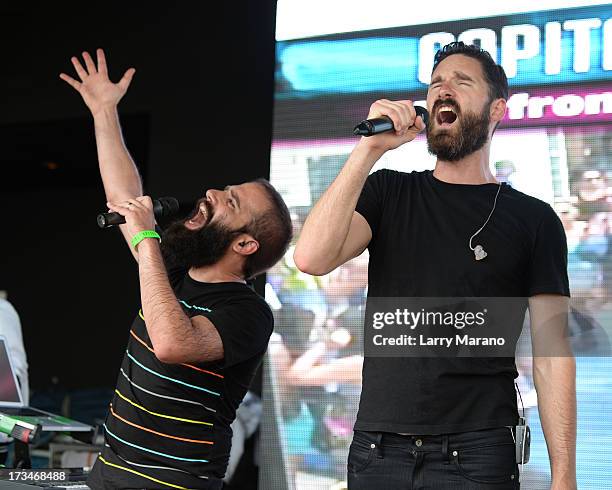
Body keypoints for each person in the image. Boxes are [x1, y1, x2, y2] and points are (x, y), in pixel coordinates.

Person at [294, 41, 576, 489]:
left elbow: (552, 352)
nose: (443, 90)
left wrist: (564, 476)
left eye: (461, 82)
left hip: (479, 450)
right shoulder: (388, 192)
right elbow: (312, 257)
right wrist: (369, 150)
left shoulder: (534, 219)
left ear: (497, 108)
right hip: (378, 450)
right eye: (436, 84)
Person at [60, 49, 292, 489]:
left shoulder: (248, 313)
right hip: (110, 469)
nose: (212, 193)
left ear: (244, 243)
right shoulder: (173, 269)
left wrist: (147, 239)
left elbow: (172, 342)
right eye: (224, 189)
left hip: (173, 482)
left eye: (231, 201)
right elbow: (124, 197)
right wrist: (104, 110)